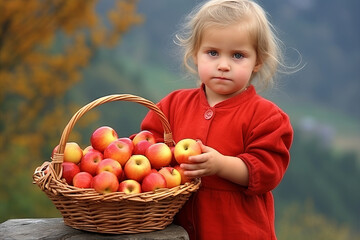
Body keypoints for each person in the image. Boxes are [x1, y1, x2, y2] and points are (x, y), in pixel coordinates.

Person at [140, 0, 294, 239]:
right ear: (195, 54)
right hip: (175, 231)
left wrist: (221, 165)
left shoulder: (267, 117)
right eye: (212, 53)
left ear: (258, 60)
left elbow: (267, 171)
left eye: (238, 55)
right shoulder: (172, 105)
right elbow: (146, 149)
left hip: (238, 231)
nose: (223, 65)